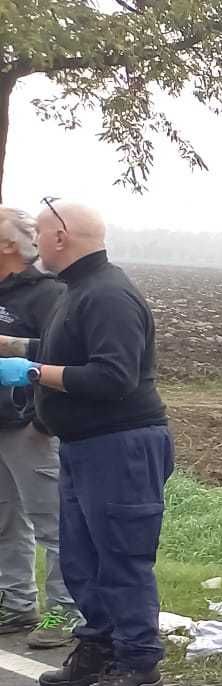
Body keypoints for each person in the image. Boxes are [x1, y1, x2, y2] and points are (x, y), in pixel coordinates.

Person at [0, 200, 173, 686]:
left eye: (40, 233)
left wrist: (33, 374)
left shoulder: (108, 294)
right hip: (82, 445)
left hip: (120, 446)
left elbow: (113, 376)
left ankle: (139, 662)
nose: (35, 243)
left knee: (121, 557)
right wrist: (13, 348)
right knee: (82, 557)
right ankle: (99, 646)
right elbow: (61, 351)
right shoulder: (76, 291)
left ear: (61, 236)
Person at [0, 206, 77, 647]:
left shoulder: (48, 293)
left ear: (8, 244)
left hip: (30, 426)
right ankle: (16, 603)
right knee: (5, 520)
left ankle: (67, 610)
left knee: (53, 522)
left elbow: (64, 353)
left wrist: (43, 422)